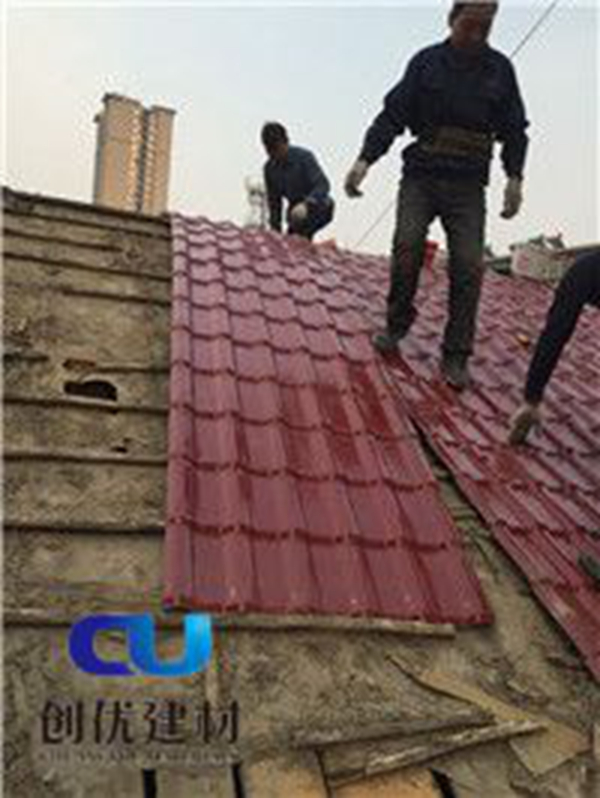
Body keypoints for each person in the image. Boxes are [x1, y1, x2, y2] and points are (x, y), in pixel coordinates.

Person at [344, 0, 529, 390]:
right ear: (452, 19)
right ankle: (396, 324)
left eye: (485, 28)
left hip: (468, 186)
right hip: (422, 176)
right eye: (469, 26)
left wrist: (515, 177)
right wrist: (364, 160)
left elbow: (515, 129)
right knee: (407, 244)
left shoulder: (500, 71)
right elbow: (392, 115)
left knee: (468, 265)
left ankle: (456, 354)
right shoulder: (425, 63)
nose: (476, 35)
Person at [509, 250, 600, 444]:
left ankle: (530, 403)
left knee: (555, 332)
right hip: (585, 274)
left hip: (583, 272)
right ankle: (530, 404)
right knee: (556, 331)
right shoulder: (585, 270)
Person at [261, 122, 335, 241]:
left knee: (323, 206)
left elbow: (323, 185)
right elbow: (274, 205)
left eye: (277, 149)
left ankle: (305, 237)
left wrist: (307, 204)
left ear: (286, 142)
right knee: (292, 240)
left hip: (318, 205)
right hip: (294, 213)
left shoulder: (304, 157)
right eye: (270, 151)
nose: (275, 155)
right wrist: (275, 234)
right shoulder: (269, 169)